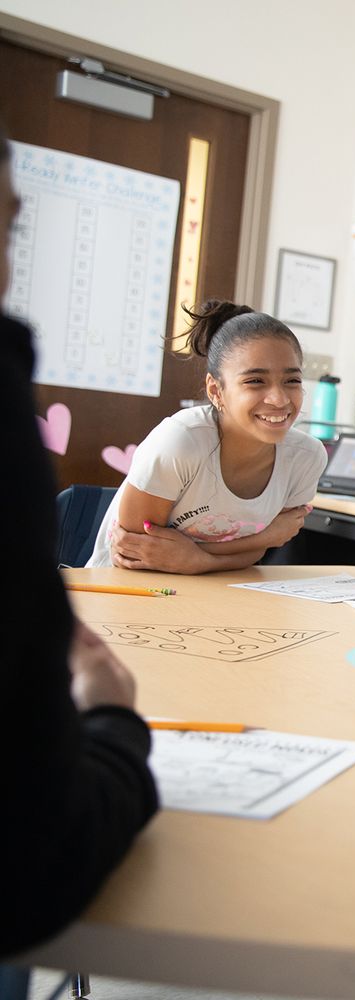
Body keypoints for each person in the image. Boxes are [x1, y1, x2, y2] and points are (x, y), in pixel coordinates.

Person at [0, 120, 159, 959]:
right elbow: (33, 860)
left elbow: (270, 537)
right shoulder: (176, 441)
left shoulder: (304, 454)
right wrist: (116, 729)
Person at [86, 301, 328, 573]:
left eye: (292, 381)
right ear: (215, 390)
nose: (279, 398)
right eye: (255, 381)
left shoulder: (306, 458)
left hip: (215, 590)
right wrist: (264, 536)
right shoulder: (181, 441)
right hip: (124, 591)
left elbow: (258, 552)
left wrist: (196, 560)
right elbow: (135, 553)